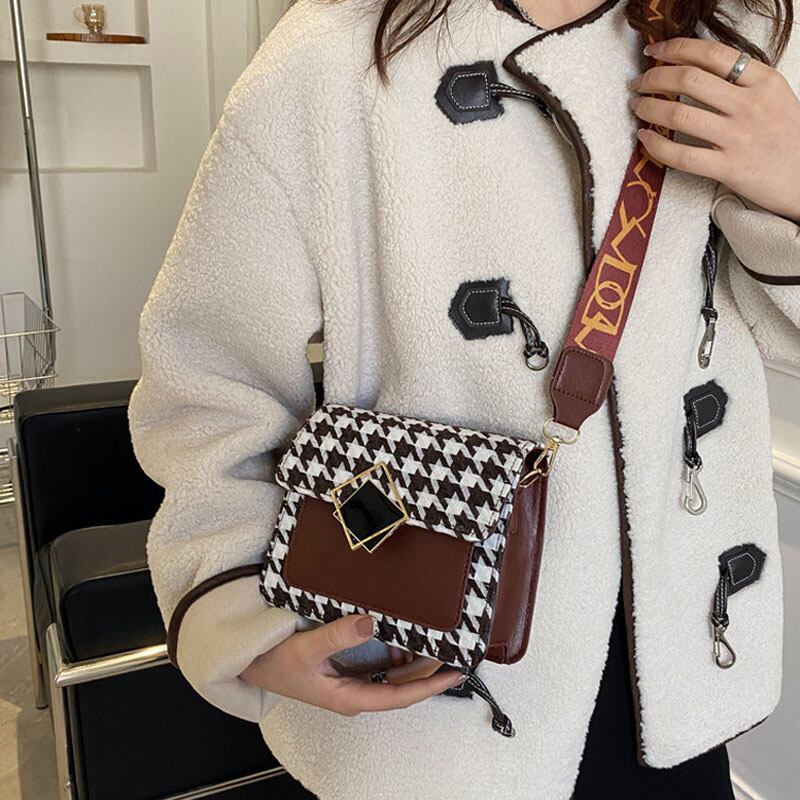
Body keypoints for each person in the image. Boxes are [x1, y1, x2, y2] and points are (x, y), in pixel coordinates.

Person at [127, 0, 800, 797]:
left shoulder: (738, 37)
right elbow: (207, 373)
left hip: (672, 685)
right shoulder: (328, 57)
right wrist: (241, 608)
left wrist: (792, 179)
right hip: (423, 677)